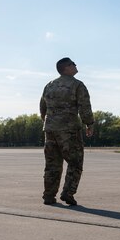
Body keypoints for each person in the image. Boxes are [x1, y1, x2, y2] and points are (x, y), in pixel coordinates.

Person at [39, 57, 95, 206]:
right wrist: (89, 124)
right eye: (72, 64)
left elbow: (42, 106)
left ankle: (49, 196)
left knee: (52, 164)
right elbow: (85, 107)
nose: (75, 65)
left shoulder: (49, 85)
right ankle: (68, 193)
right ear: (66, 68)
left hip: (50, 129)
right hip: (69, 130)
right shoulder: (77, 85)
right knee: (75, 162)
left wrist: (47, 121)